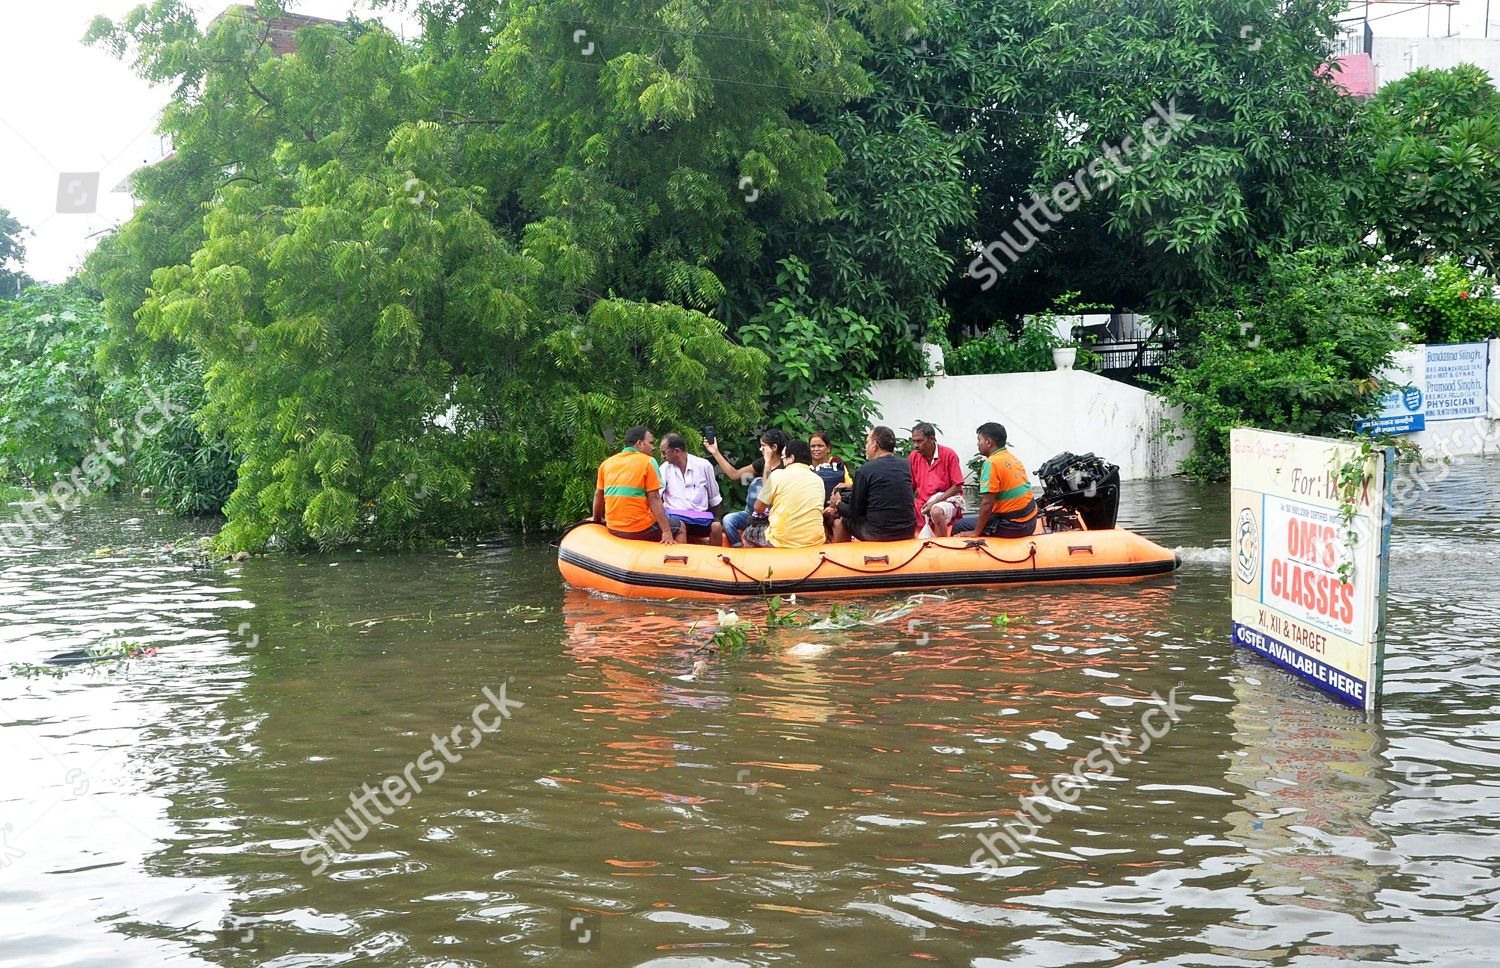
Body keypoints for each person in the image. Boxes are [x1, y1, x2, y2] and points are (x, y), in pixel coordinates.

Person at [592, 426, 681, 543]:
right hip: (639, 528)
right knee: (681, 527)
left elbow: (598, 495)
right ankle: (676, 558)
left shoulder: (606, 464)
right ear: (639, 443)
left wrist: (597, 520)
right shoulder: (648, 462)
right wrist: (666, 531)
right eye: (650, 443)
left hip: (613, 527)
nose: (653, 447)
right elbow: (654, 498)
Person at [829, 425, 917, 542]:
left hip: (878, 533)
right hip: (907, 530)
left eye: (867, 443)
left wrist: (838, 503)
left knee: (842, 521)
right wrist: (853, 486)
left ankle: (844, 558)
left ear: (875, 445)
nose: (866, 447)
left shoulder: (865, 470)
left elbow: (853, 512)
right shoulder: (906, 465)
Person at [954, 422, 1040, 539]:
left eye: (979, 440)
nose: (977, 444)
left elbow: (987, 503)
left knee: (959, 525)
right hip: (1030, 521)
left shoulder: (991, 463)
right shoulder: (1011, 457)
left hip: (1014, 526)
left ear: (988, 442)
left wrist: (975, 532)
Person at [707, 430, 786, 547]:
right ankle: (738, 547)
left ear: (774, 447)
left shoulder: (785, 466)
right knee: (729, 520)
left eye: (763, 446)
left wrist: (768, 462)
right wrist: (715, 452)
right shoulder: (761, 462)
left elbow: (766, 488)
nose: (760, 449)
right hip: (753, 515)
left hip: (773, 516)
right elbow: (734, 474)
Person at [743, 438, 827, 548]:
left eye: (783, 457)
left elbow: (758, 508)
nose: (782, 460)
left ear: (791, 458)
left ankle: (753, 564)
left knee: (748, 533)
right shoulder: (818, 480)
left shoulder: (777, 475)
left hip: (782, 540)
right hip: (815, 540)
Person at [657, 432, 723, 544]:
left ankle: (714, 559)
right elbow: (656, 497)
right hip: (676, 520)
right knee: (680, 525)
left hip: (700, 521)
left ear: (676, 451)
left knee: (716, 527)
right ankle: (681, 559)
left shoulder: (704, 465)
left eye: (664, 453)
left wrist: (717, 520)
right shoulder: (664, 469)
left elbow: (715, 499)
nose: (662, 456)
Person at [909, 422, 966, 538]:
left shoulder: (949, 454)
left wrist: (934, 502)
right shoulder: (913, 456)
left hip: (947, 501)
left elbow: (957, 486)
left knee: (936, 512)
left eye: (919, 441)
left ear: (932, 439)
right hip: (923, 503)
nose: (915, 445)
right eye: (914, 441)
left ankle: (942, 546)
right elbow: (911, 486)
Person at [808, 430, 852, 499]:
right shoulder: (805, 464)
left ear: (828, 448)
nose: (816, 449)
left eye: (820, 446)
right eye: (813, 446)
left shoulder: (837, 463)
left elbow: (849, 484)